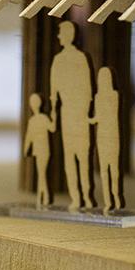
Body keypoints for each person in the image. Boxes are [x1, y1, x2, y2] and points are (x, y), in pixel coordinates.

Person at [48, 21, 96, 209]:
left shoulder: (78, 59)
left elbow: (87, 89)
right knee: (75, 158)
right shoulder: (59, 60)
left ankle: (84, 197)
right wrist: (54, 115)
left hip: (76, 113)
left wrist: (84, 110)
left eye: (61, 33)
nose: (59, 37)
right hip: (70, 113)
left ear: (69, 35)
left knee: (80, 157)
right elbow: (54, 94)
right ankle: (78, 197)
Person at [94, 67, 124, 211]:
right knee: (105, 170)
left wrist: (94, 119)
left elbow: (108, 114)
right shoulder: (98, 96)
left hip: (111, 134)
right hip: (102, 134)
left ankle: (116, 197)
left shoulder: (113, 95)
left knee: (113, 169)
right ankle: (108, 201)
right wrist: (89, 119)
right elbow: (98, 117)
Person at [23, 92, 56, 207]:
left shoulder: (43, 118)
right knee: (41, 173)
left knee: (41, 173)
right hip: (38, 150)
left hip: (45, 150)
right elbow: (29, 136)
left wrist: (54, 115)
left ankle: (43, 198)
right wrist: (26, 148)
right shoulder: (33, 120)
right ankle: (43, 198)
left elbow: (52, 128)